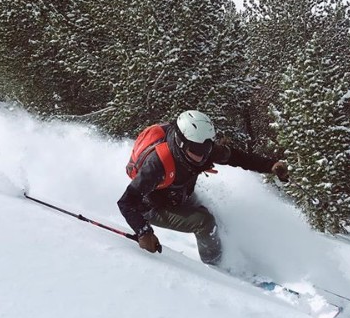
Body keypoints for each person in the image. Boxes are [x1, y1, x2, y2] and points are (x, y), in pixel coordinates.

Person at [118, 110, 289, 265]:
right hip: (150, 207)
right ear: (181, 142)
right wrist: (143, 231)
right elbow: (126, 202)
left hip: (176, 193)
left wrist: (270, 166)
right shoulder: (157, 165)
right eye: (196, 149)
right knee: (204, 222)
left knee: (218, 217)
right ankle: (216, 267)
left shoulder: (202, 148)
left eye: (207, 148)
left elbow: (237, 157)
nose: (202, 155)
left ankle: (232, 255)